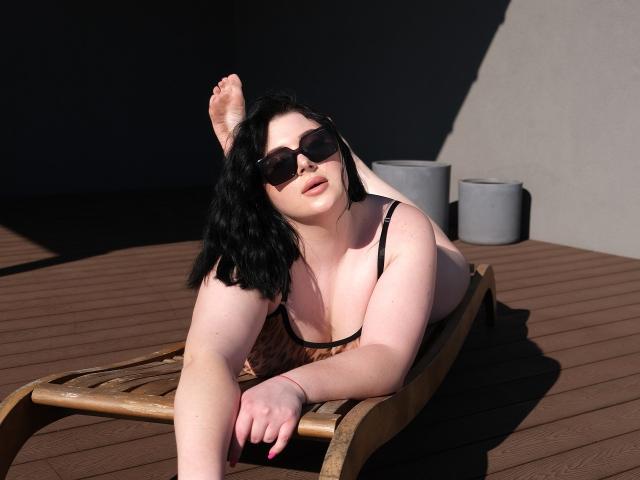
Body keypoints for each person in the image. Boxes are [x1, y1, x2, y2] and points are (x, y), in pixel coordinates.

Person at [173, 74, 470, 480]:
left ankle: (345, 159)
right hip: (287, 224)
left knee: (447, 261)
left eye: (317, 144)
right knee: (330, 191)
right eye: (278, 165)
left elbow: (387, 357)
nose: (304, 162)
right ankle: (267, 159)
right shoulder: (249, 254)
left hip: (398, 248)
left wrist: (291, 386)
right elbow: (207, 360)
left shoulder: (402, 232)